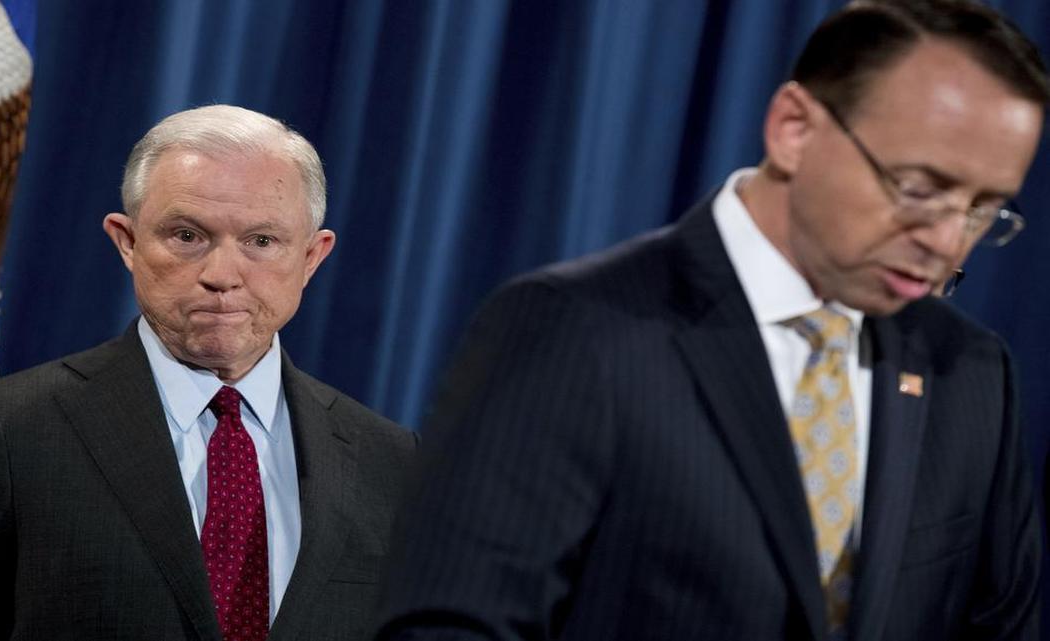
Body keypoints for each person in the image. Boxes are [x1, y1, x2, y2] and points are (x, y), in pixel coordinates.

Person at [375, 1, 1047, 639]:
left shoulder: (969, 370)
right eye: (919, 189)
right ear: (794, 128)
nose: (948, 240)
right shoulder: (576, 329)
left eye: (984, 209)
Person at [0, 104, 416, 640]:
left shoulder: (391, 462)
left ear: (312, 256)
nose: (222, 276)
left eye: (261, 242)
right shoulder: (8, 432)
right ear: (127, 241)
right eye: (187, 237)